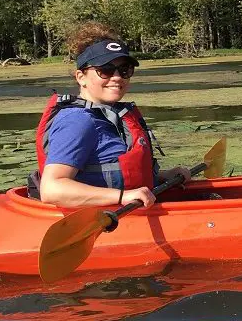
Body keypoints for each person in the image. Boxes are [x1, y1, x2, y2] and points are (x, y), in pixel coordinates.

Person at [33, 21, 189, 208]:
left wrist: (164, 175)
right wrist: (122, 197)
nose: (116, 77)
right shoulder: (77, 121)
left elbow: (112, 170)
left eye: (124, 70)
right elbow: (52, 189)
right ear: (81, 77)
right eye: (105, 70)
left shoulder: (112, 114)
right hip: (101, 221)